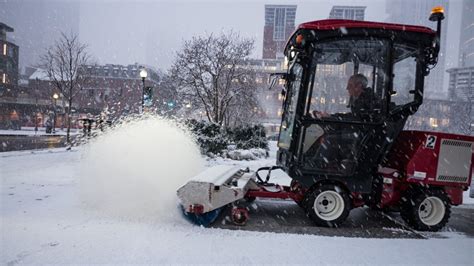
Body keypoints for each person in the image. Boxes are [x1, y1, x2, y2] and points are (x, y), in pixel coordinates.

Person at [312, 73, 380, 119]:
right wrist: (331, 116)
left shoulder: (368, 102)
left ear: (359, 86)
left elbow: (354, 120)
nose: (347, 88)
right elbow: (353, 117)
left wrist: (333, 118)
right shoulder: (365, 99)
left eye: (350, 85)